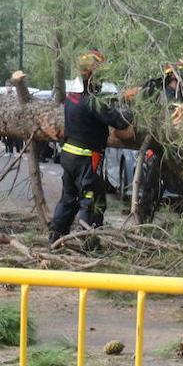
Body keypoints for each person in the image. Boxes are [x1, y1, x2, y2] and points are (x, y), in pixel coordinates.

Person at [49, 50, 131, 243]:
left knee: (69, 198)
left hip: (69, 156)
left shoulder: (72, 98)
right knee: (91, 199)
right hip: (85, 158)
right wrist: (129, 108)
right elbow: (119, 121)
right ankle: (89, 242)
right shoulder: (92, 101)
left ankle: (55, 236)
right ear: (93, 75)